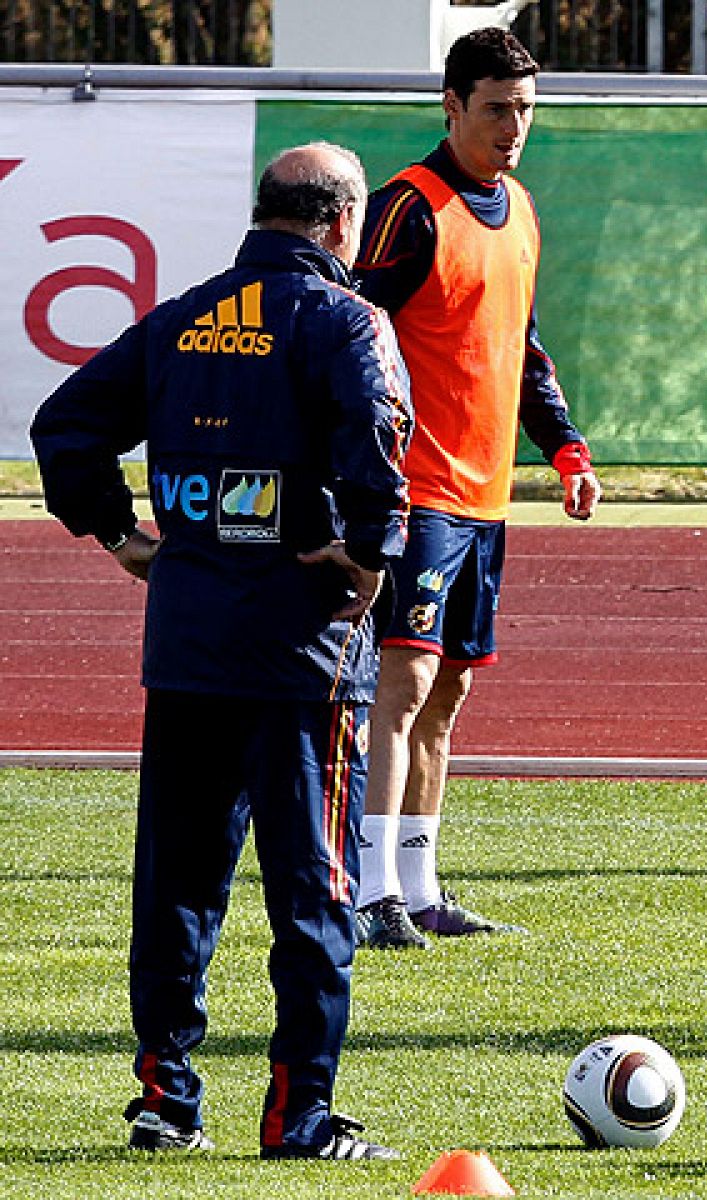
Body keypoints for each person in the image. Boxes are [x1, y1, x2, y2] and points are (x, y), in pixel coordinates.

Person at [30, 143, 411, 1157]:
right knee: (314, 890)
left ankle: (166, 1101)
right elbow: (380, 436)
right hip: (305, 656)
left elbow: (63, 425)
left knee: (178, 886)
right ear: (341, 223)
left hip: (191, 645)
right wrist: (374, 554)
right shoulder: (345, 320)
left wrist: (121, 537)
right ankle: (299, 1119)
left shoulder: (185, 316)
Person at [353, 27, 602, 949]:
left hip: (486, 495)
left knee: (450, 691)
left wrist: (565, 446)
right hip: (417, 492)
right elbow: (356, 333)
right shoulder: (407, 208)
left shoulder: (522, 210)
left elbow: (521, 344)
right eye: (496, 109)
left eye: (525, 110)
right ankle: (368, 887)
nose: (514, 127)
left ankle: (418, 887)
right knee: (407, 680)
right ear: (452, 107)